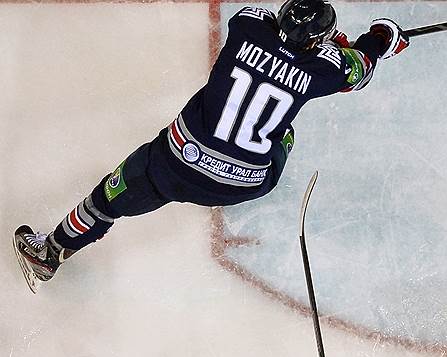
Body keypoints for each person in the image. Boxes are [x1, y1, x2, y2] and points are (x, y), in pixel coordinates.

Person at [13, 0, 409, 292]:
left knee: (106, 200)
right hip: (245, 183)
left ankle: (52, 251)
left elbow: (268, 26)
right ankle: (268, 147)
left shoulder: (247, 26)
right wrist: (377, 38)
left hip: (176, 163)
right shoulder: (325, 68)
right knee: (284, 131)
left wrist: (322, 44)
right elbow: (360, 68)